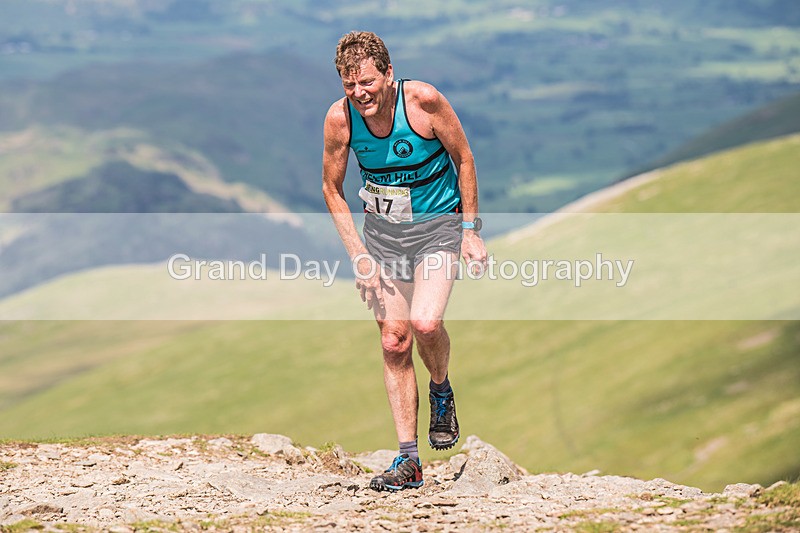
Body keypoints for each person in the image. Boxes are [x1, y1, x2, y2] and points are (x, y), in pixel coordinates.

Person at [322, 31, 487, 492]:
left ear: (389, 73)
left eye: (368, 82)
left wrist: (471, 231)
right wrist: (359, 256)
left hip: (438, 228)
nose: (360, 94)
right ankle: (408, 461)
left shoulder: (425, 102)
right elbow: (331, 189)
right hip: (383, 239)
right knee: (395, 341)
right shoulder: (341, 120)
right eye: (349, 85)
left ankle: (440, 387)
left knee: (426, 324)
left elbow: (464, 158)